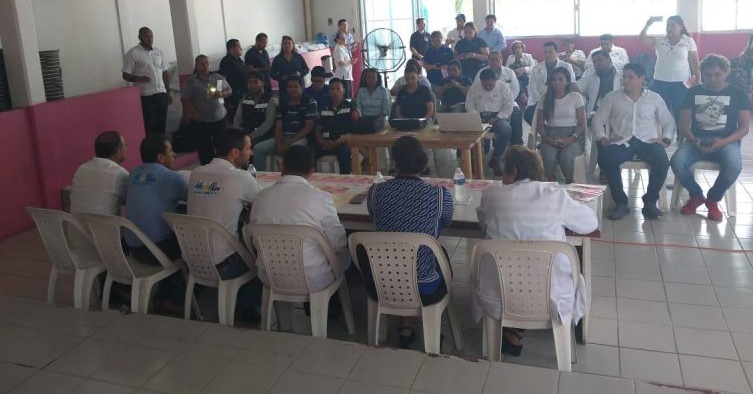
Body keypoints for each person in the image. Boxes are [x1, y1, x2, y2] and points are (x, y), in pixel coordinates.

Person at [473, 146, 597, 356]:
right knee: (542, 267)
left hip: (498, 294)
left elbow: (483, 226)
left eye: (504, 172)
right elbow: (590, 224)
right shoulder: (556, 196)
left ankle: (512, 330)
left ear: (512, 172)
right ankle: (522, 330)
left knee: (512, 266)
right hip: (550, 296)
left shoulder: (491, 196)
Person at [363, 136, 453, 347]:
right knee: (437, 255)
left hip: (383, 281)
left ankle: (405, 326)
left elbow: (374, 217)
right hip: (424, 285)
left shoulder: (376, 192)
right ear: (423, 162)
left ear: (394, 162)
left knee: (399, 253)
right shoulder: (439, 195)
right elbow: (445, 222)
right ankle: (432, 323)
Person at [250, 145, 351, 292]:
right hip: (313, 278)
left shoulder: (260, 197)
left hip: (270, 276)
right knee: (343, 255)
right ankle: (333, 302)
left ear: (281, 166)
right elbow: (338, 243)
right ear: (311, 172)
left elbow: (255, 240)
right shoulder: (321, 198)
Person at [673, 54, 751, 222]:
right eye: (708, 75)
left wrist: (724, 142)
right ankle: (696, 196)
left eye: (717, 74)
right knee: (677, 162)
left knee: (734, 167)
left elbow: (744, 128)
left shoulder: (738, 94)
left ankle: (713, 199)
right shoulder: (693, 92)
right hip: (697, 138)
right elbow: (683, 125)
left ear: (726, 72)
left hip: (726, 140)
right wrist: (694, 140)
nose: (712, 79)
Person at [592, 63, 675, 220]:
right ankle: (621, 203)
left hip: (648, 141)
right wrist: (602, 137)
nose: (626, 80)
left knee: (662, 162)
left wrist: (666, 138)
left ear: (642, 79)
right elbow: (597, 120)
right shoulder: (612, 97)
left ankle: (650, 202)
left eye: (631, 77)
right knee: (608, 160)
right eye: (624, 77)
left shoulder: (654, 98)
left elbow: (668, 121)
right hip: (623, 140)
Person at [187, 128, 260, 275]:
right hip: (223, 263)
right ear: (235, 152)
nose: (251, 153)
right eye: (248, 148)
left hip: (191, 258)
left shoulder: (196, 173)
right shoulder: (241, 178)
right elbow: (263, 204)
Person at [124, 135, 187, 264]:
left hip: (132, 247)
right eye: (170, 151)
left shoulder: (134, 173)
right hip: (156, 251)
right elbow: (195, 200)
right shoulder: (171, 177)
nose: (174, 154)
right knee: (194, 238)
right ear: (160, 158)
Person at [69, 131, 129, 251]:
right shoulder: (119, 174)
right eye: (124, 146)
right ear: (117, 152)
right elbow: (133, 201)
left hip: (78, 241)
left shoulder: (81, 169)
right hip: (107, 245)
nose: (126, 149)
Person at [640, 15, 700, 128]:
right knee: (662, 112)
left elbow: (694, 62)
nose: (669, 28)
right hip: (660, 82)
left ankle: (681, 135)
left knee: (680, 112)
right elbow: (642, 38)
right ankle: (665, 136)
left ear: (681, 27)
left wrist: (697, 78)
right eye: (668, 25)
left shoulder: (688, 41)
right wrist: (648, 24)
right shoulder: (659, 40)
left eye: (673, 25)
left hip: (681, 84)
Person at [254, 76, 318, 170]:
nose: (292, 89)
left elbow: (308, 128)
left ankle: (292, 177)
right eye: (289, 87)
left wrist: (288, 145)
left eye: (295, 86)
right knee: (258, 149)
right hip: (283, 137)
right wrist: (278, 144)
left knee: (293, 150)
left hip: (301, 138)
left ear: (301, 87)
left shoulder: (310, 101)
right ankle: (260, 177)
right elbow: (278, 126)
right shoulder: (282, 102)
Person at [537, 68, 586, 183]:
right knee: (548, 157)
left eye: (560, 79)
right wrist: (546, 138)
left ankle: (570, 182)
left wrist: (571, 138)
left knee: (566, 157)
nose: (556, 82)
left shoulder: (575, 97)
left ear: (567, 81)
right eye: (553, 80)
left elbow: (581, 123)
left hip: (572, 136)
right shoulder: (545, 98)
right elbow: (540, 124)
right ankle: (550, 181)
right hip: (551, 136)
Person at [182, 55, 232, 165]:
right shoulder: (191, 81)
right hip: (201, 120)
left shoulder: (217, 77)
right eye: (201, 64)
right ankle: (208, 168)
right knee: (204, 148)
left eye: (207, 63)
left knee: (222, 146)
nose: (205, 66)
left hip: (219, 117)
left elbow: (229, 90)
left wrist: (221, 93)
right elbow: (186, 99)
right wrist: (195, 114)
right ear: (196, 65)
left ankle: (223, 167)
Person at [122, 27, 171, 135]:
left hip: (161, 94)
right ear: (139, 37)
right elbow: (125, 75)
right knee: (149, 128)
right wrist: (138, 78)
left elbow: (165, 72)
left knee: (161, 126)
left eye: (151, 36)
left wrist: (168, 91)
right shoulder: (133, 53)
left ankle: (161, 145)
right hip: (146, 96)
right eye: (146, 36)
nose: (150, 39)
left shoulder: (158, 51)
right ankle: (151, 146)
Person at [465, 69, 514, 172]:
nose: (487, 87)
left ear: (495, 80)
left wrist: (497, 118)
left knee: (506, 129)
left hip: (497, 117)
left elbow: (508, 106)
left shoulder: (503, 87)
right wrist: (476, 117)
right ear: (481, 81)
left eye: (490, 85)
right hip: (478, 117)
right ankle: (472, 158)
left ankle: (496, 158)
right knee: (465, 128)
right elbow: (469, 105)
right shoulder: (475, 87)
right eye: (484, 85)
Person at [474, 52, 522, 146]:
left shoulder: (509, 72)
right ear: (488, 61)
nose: (494, 62)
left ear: (501, 60)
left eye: (496, 59)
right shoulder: (481, 73)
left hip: (507, 102)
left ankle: (516, 143)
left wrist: (505, 103)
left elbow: (515, 89)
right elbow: (476, 90)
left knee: (516, 113)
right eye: (491, 59)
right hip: (487, 104)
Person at [315, 78, 360, 174]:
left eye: (338, 89)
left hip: (342, 142)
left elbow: (352, 131)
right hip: (325, 143)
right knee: (309, 152)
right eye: (332, 89)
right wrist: (322, 142)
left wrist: (336, 142)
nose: (335, 92)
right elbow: (318, 129)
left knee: (344, 153)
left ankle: (346, 179)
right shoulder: (323, 107)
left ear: (343, 91)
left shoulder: (350, 107)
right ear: (329, 91)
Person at [525, 41, 576, 125]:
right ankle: (544, 130)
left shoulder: (566, 66)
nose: (547, 54)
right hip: (540, 99)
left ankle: (549, 130)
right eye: (545, 52)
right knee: (528, 114)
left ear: (557, 52)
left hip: (560, 99)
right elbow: (531, 87)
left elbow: (571, 85)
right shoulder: (536, 68)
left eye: (550, 52)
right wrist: (541, 101)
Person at [233, 72, 279, 161]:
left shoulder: (271, 100)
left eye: (255, 82)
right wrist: (237, 134)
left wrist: (251, 136)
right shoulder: (244, 99)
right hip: (245, 133)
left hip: (264, 135)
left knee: (246, 147)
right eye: (250, 82)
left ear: (262, 83)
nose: (252, 85)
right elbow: (237, 119)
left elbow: (268, 123)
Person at [576, 50, 622, 122]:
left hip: (616, 116)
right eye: (594, 62)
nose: (596, 63)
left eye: (599, 60)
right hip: (595, 116)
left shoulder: (622, 76)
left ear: (609, 59)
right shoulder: (591, 76)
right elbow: (574, 86)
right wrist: (582, 101)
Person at [219, 38, 247, 124]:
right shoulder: (226, 62)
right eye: (238, 47)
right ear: (232, 49)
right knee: (236, 117)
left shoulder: (238, 59)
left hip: (243, 91)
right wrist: (224, 99)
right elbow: (222, 80)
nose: (241, 48)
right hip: (234, 95)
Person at [506, 40, 535, 109]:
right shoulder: (510, 57)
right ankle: (522, 97)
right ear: (513, 50)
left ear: (522, 48)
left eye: (519, 47)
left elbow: (534, 67)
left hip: (526, 77)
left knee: (516, 81)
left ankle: (518, 100)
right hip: (514, 77)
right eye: (515, 48)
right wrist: (513, 72)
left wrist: (524, 69)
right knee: (516, 80)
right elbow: (506, 69)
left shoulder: (528, 56)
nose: (517, 49)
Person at [332, 31, 355, 97]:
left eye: (345, 38)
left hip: (346, 74)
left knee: (349, 95)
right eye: (342, 39)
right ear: (337, 40)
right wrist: (350, 62)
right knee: (346, 96)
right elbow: (340, 63)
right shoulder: (339, 49)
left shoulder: (342, 46)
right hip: (343, 76)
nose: (344, 40)